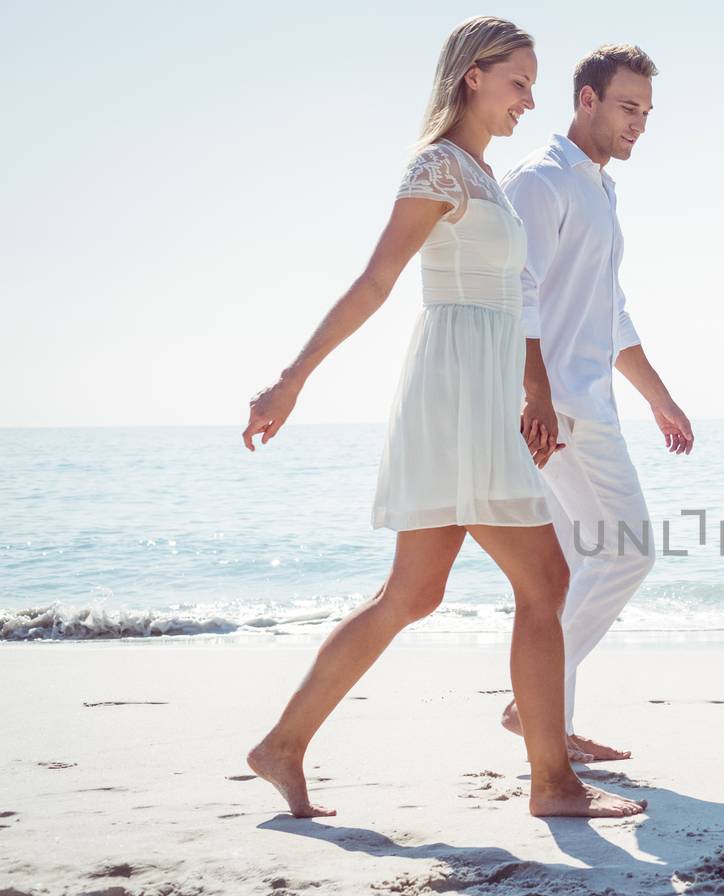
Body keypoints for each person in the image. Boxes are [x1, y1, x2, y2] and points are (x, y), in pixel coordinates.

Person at [239, 16, 645, 820]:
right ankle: (552, 782)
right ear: (473, 77)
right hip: (458, 392)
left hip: (484, 388)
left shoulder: (484, 174)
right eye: (519, 83)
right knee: (547, 578)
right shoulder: (439, 169)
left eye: (533, 85)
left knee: (412, 593)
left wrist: (533, 389)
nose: (531, 99)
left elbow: (518, 297)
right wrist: (292, 379)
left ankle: (282, 744)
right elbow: (374, 283)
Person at [498, 44, 693, 763]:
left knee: (583, 566)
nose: (638, 123)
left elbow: (610, 314)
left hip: (585, 400)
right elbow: (511, 292)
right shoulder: (541, 181)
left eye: (645, 111)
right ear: (586, 100)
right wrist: (536, 397)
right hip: (559, 407)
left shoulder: (600, 191)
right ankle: (530, 702)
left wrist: (660, 401)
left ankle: (554, 728)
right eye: (626, 106)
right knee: (630, 552)